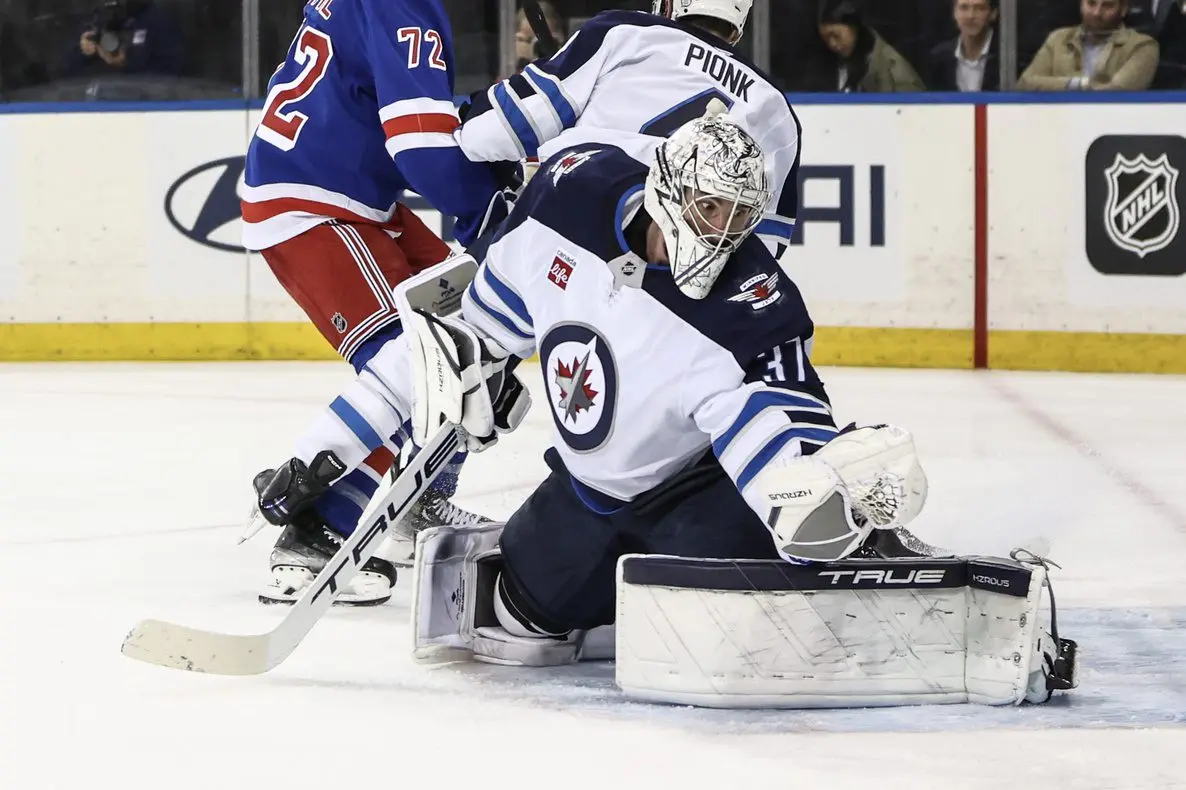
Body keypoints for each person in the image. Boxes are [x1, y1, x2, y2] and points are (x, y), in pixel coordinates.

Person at [249, 111, 935, 657]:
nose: (722, 230)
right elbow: (452, 351)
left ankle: (854, 548)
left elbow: (785, 419)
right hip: (586, 495)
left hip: (698, 496)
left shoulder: (757, 302)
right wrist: (323, 447)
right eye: (708, 207)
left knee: (710, 603)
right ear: (665, 186)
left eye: (738, 214)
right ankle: (614, 597)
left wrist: (817, 493)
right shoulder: (565, 202)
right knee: (520, 619)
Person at [239, 0, 513, 606]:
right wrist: (493, 203)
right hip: (317, 208)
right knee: (421, 366)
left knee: (486, 332)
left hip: (359, 201)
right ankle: (314, 537)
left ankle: (416, 504)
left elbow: (401, 115)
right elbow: (420, 148)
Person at [455, 0, 801, 254]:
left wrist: (478, 110)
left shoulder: (625, 32)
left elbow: (491, 133)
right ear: (739, 26)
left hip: (564, 228)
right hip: (671, 273)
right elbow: (766, 247)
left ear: (669, 5)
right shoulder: (775, 109)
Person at [1018, 0, 1159, 90]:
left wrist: (1055, 85)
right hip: (1057, 121)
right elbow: (1026, 83)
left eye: (1107, 5)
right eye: (1091, 3)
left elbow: (1116, 91)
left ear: (1123, 9)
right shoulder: (1059, 39)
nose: (1097, 13)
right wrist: (1079, 84)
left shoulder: (1143, 46)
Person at [816, 0, 925, 93]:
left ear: (854, 27)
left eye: (836, 36)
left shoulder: (894, 76)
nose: (832, 44)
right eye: (825, 39)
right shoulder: (829, 64)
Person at [65, 0, 185, 78]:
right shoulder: (97, 17)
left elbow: (174, 72)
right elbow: (64, 71)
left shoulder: (159, 20)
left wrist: (126, 65)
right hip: (96, 102)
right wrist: (82, 51)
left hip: (144, 102)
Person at [926, 0, 1000, 92]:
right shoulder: (939, 58)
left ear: (993, 14)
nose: (970, 16)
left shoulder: (1008, 57)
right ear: (954, 13)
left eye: (979, 8)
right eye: (964, 8)